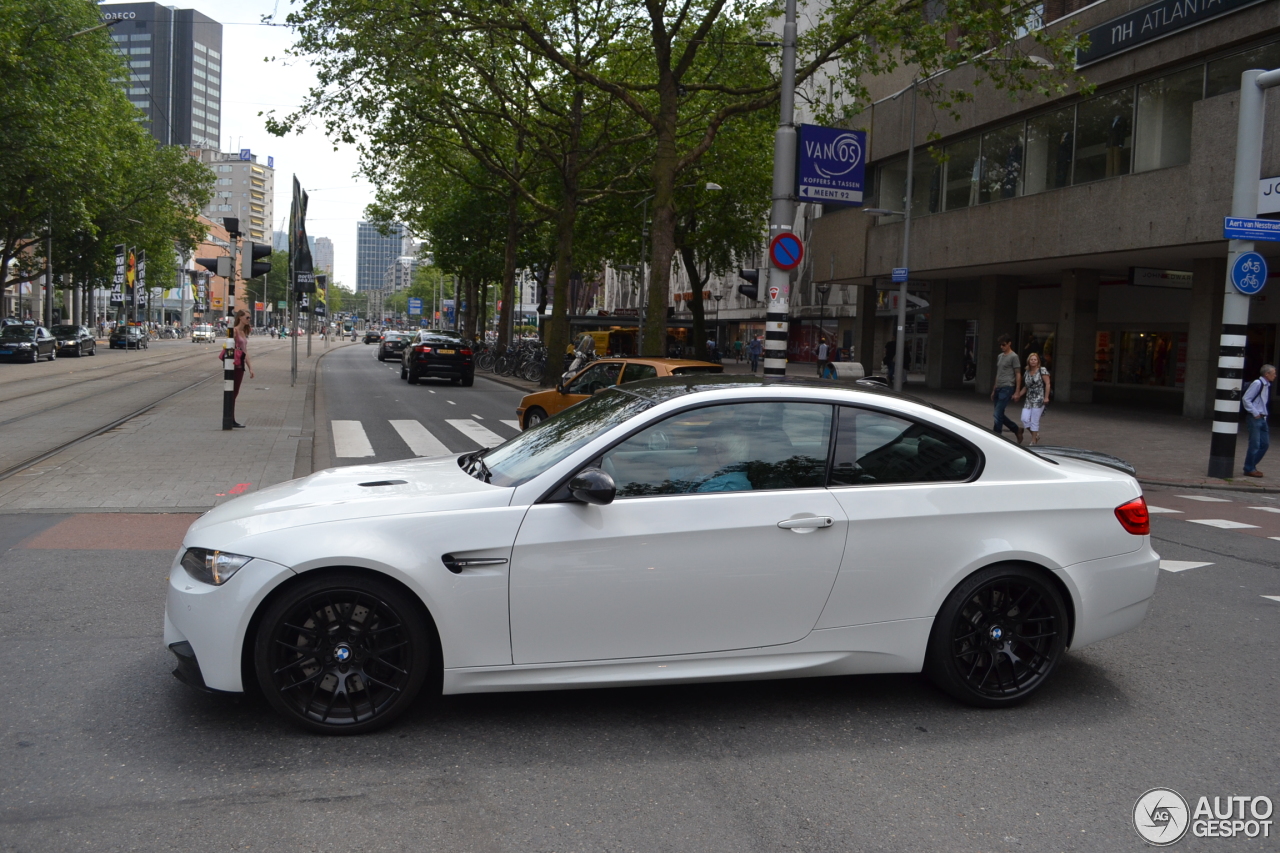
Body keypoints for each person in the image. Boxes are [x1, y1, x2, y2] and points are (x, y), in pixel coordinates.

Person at [1243, 363, 1276, 477]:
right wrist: (1255, 413)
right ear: (1267, 374)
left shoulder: (1267, 385)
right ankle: (1249, 468)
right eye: (1273, 373)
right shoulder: (1258, 383)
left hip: (1262, 418)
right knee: (1255, 444)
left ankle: (1250, 466)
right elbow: (1246, 399)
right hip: (1255, 418)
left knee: (1265, 444)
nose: (1275, 376)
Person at [225, 309, 255, 428]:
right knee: (231, 393)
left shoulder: (243, 332)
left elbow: (245, 352)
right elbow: (228, 345)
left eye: (249, 318)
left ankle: (231, 418)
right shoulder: (234, 331)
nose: (249, 320)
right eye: (247, 317)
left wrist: (250, 368)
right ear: (240, 318)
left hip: (240, 365)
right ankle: (229, 418)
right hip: (233, 365)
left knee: (235, 392)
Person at [991, 334, 1024, 442]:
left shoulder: (1014, 357)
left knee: (997, 413)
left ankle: (997, 436)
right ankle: (1016, 429)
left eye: (1004, 345)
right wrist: (994, 388)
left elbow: (1018, 373)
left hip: (1007, 387)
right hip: (999, 387)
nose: (1002, 347)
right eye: (1000, 345)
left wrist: (1017, 391)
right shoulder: (1000, 356)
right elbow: (998, 373)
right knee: (998, 413)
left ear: (1009, 343)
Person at [1014, 352, 1051, 445]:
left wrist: (1046, 397)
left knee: (1034, 420)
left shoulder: (1042, 370)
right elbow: (1026, 387)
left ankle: (1033, 441)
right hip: (1029, 399)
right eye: (1031, 359)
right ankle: (1035, 435)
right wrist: (1019, 395)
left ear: (1038, 361)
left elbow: (1048, 383)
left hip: (1039, 399)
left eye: (1035, 359)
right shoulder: (1027, 372)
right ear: (1028, 361)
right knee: (1024, 419)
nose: (1033, 361)